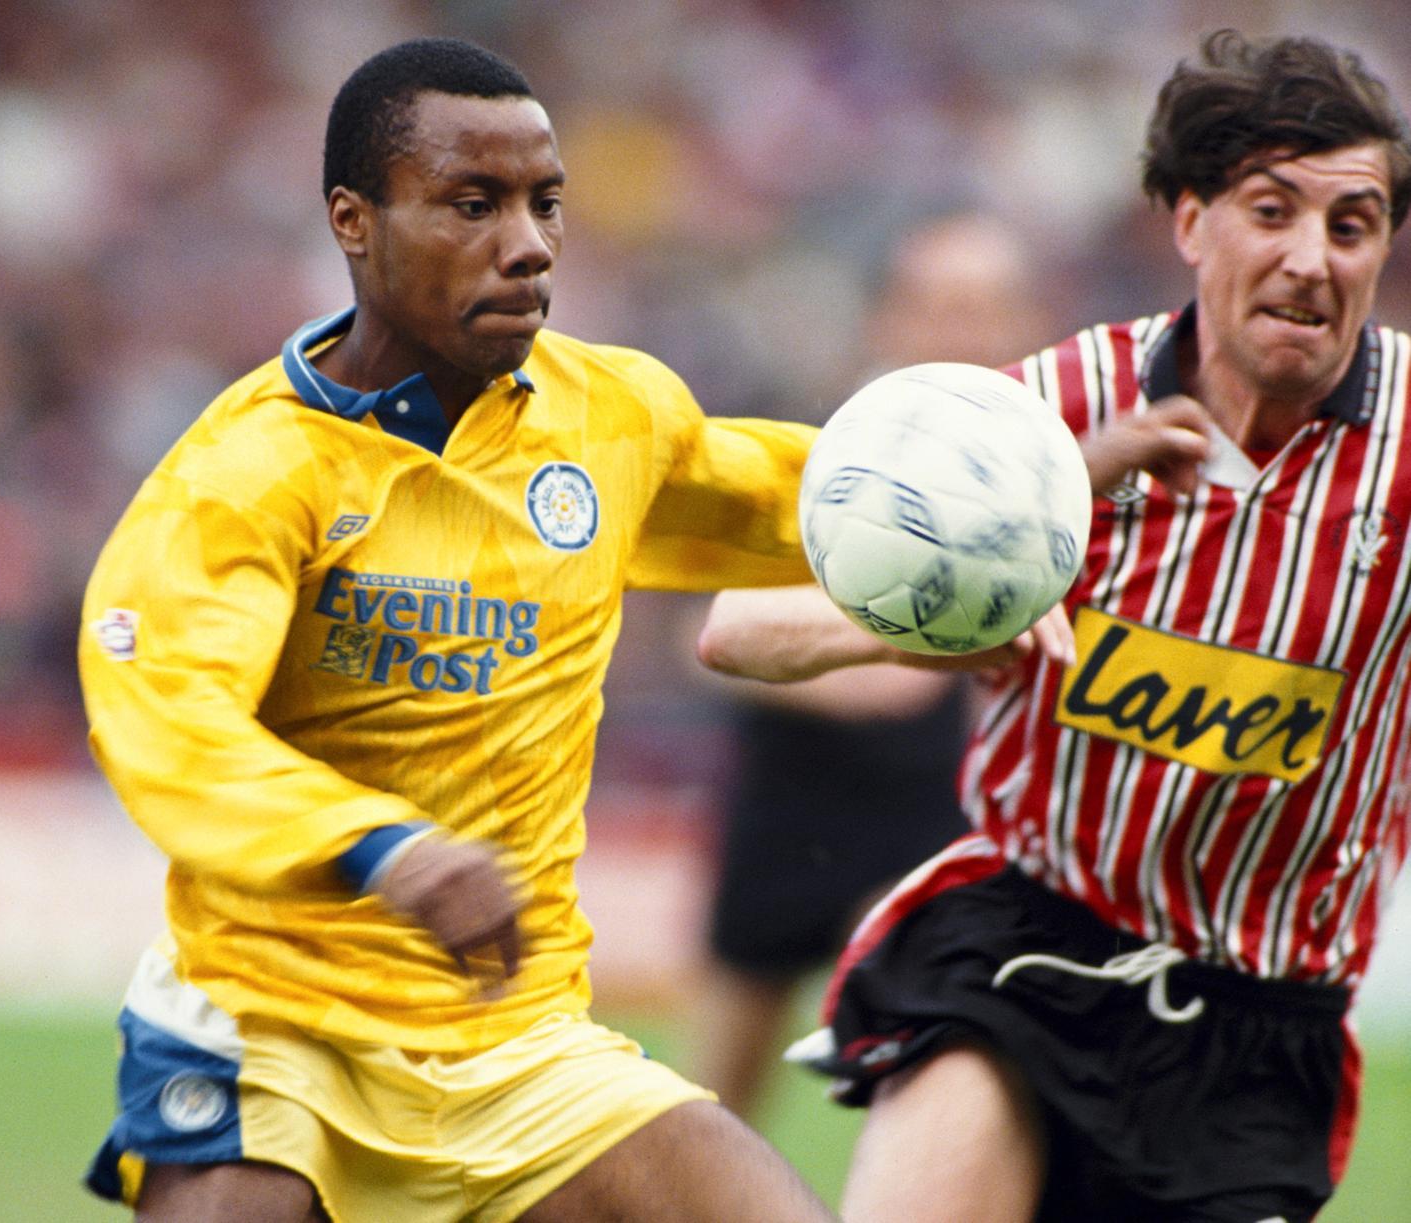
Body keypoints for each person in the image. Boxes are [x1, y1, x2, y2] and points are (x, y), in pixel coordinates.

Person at [76, 35, 843, 1223]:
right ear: (353, 221)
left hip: (514, 1036)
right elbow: (170, 718)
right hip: (273, 1025)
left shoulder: (612, 416)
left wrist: (1057, 481)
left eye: (545, 203)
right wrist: (384, 847)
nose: (528, 244)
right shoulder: (245, 471)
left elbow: (827, 500)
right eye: (473, 204)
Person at [697, 28, 1411, 1223]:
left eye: (1352, 225)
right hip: (1023, 949)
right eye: (1270, 211)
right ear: (1190, 222)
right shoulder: (1048, 413)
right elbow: (737, 629)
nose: (1310, 258)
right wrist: (950, 606)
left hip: (1258, 1028)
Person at [691, 213, 1049, 1120]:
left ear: (1024, 322)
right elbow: (701, 640)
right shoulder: (812, 451)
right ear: (888, 317)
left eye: (985, 309)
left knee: (931, 1076)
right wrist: (857, 667)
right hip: (789, 801)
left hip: (933, 810)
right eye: (940, 306)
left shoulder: (1051, 477)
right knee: (715, 1105)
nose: (963, 333)